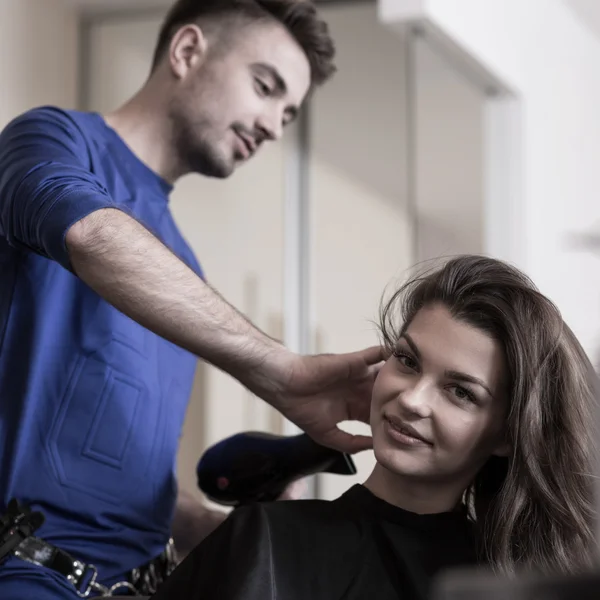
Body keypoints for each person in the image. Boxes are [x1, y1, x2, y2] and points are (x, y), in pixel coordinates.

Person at [0, 0, 384, 598]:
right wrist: (279, 369)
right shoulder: (52, 138)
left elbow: (119, 473)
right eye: (265, 87)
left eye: (289, 112)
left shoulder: (183, 267)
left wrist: (218, 528)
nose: (276, 125)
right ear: (186, 51)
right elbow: (91, 233)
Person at [149, 255, 600, 600]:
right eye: (407, 360)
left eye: (460, 392)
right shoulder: (266, 542)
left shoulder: (512, 585)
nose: (411, 399)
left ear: (506, 434)